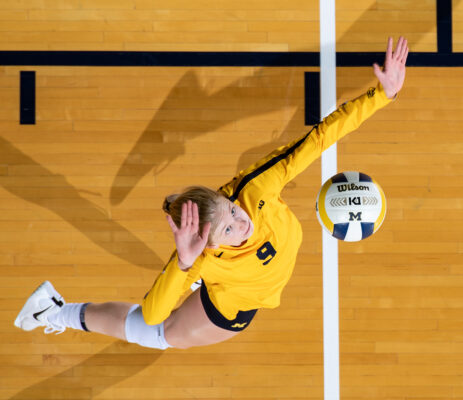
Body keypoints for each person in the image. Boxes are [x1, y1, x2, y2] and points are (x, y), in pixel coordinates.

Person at [14, 36, 409, 350]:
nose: (243, 223)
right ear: (209, 243)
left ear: (227, 198)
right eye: (230, 230)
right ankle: (57, 311)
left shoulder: (255, 190)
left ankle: (59, 310)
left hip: (236, 278)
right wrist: (185, 265)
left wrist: (383, 95)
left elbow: (319, 138)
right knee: (152, 332)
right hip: (233, 303)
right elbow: (153, 313)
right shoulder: (201, 256)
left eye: (233, 212)